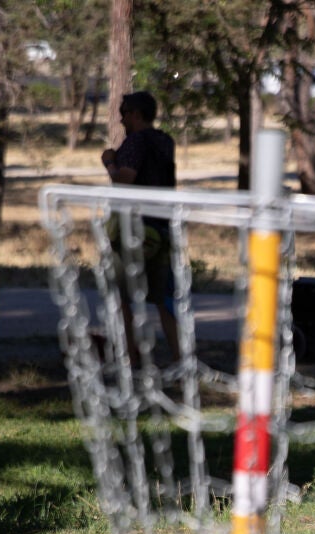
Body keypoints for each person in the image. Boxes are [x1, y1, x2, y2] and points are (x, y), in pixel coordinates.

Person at [101, 91, 180, 362]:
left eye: (123, 114)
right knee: (165, 299)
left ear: (135, 114)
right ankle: (180, 357)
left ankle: (130, 357)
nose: (121, 120)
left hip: (133, 230)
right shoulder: (165, 141)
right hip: (162, 227)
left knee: (122, 296)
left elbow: (124, 179)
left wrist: (110, 162)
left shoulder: (135, 142)